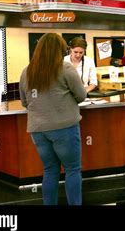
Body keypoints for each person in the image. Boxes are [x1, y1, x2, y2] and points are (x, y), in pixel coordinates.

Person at [19, 33, 86, 205]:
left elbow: (25, 102)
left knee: (49, 170)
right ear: (60, 50)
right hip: (64, 128)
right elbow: (81, 95)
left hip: (38, 130)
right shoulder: (66, 68)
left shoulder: (27, 71)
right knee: (72, 169)